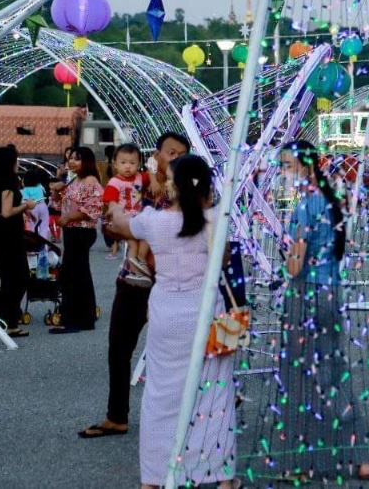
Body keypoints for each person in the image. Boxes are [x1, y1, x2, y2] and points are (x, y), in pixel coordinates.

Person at [105, 154, 245, 489]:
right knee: (215, 395)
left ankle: (154, 477)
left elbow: (121, 226)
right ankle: (220, 475)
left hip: (167, 312)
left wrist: (116, 210)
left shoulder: (153, 220)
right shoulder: (215, 218)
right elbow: (224, 258)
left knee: (161, 396)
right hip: (209, 310)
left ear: (175, 185)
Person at [274, 139, 369, 482]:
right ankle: (360, 457)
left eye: (286, 166)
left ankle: (302, 461)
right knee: (334, 374)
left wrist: (284, 256)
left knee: (298, 379)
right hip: (331, 294)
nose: (283, 174)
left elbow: (295, 265)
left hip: (305, 297)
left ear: (303, 167)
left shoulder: (304, 208)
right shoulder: (331, 202)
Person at [79, 131, 190, 439]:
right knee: (119, 348)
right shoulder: (139, 185)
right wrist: (124, 230)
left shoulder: (192, 195)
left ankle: (181, 418)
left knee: (174, 354)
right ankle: (117, 416)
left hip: (171, 283)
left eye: (181, 154)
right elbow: (109, 226)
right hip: (134, 280)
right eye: (170, 152)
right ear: (157, 154)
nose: (175, 158)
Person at [52, 146, 103, 334]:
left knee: (75, 275)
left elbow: (94, 208)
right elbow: (58, 204)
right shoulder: (74, 179)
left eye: (77, 159)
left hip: (82, 232)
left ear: (87, 161)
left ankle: (74, 319)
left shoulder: (90, 181)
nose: (72, 161)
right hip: (71, 232)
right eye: (70, 158)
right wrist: (57, 189)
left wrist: (71, 218)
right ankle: (82, 317)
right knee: (75, 274)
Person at [0, 145, 34, 338]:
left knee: (9, 279)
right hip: (10, 238)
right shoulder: (8, 184)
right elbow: (6, 212)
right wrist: (26, 206)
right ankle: (7, 320)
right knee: (19, 278)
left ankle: (0, 319)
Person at [102, 144, 150, 273]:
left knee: (147, 237)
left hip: (138, 217)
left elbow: (153, 173)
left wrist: (155, 181)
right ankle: (132, 269)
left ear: (139, 163)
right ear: (115, 164)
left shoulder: (141, 177)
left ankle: (140, 261)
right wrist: (117, 218)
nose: (128, 166)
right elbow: (111, 203)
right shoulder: (114, 182)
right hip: (124, 219)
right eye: (123, 162)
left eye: (132, 163)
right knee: (133, 243)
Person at [22, 170, 51, 242]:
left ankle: (33, 245)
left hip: (32, 207)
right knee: (44, 227)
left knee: (32, 227)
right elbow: (45, 193)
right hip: (43, 205)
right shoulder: (40, 186)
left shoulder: (25, 189)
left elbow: (24, 201)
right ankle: (43, 245)